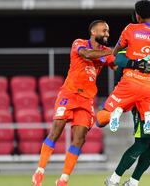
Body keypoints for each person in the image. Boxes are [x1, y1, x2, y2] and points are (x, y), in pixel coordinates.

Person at [32, 20, 116, 186]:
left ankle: (63, 179)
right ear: (93, 31)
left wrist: (131, 60)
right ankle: (39, 171)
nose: (107, 34)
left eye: (108, 31)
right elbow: (86, 54)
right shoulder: (79, 43)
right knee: (56, 130)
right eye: (104, 30)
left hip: (86, 100)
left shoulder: (106, 53)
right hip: (69, 94)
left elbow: (117, 66)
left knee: (80, 138)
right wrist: (111, 51)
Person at [102, 14, 150, 186]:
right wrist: (137, 63)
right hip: (142, 99)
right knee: (143, 142)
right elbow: (119, 59)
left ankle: (133, 180)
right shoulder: (135, 43)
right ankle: (115, 179)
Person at [95, 0, 150, 135]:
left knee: (101, 119)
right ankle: (149, 117)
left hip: (129, 83)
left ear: (138, 16)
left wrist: (134, 60)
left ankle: (117, 111)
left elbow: (115, 53)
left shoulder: (130, 29)